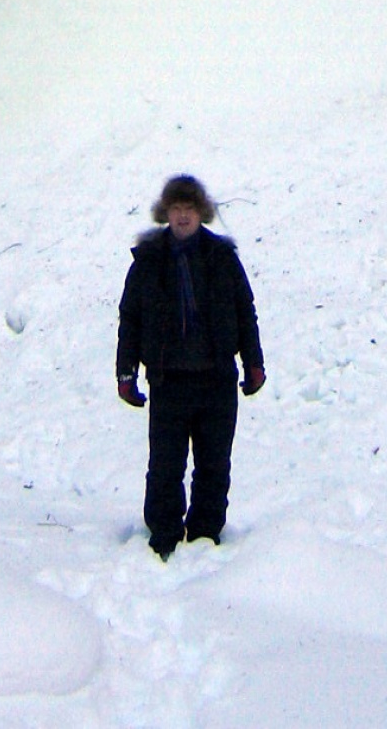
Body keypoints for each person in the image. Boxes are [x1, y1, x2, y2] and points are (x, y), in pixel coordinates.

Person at [116, 173, 265, 559]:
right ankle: (163, 535)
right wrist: (126, 373)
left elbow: (244, 312)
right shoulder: (148, 261)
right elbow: (130, 318)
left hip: (216, 379)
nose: (183, 217)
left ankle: (205, 536)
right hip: (168, 382)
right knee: (165, 466)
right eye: (176, 209)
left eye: (189, 209)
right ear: (166, 214)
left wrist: (254, 363)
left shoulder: (222, 258)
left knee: (214, 465)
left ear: (202, 214)